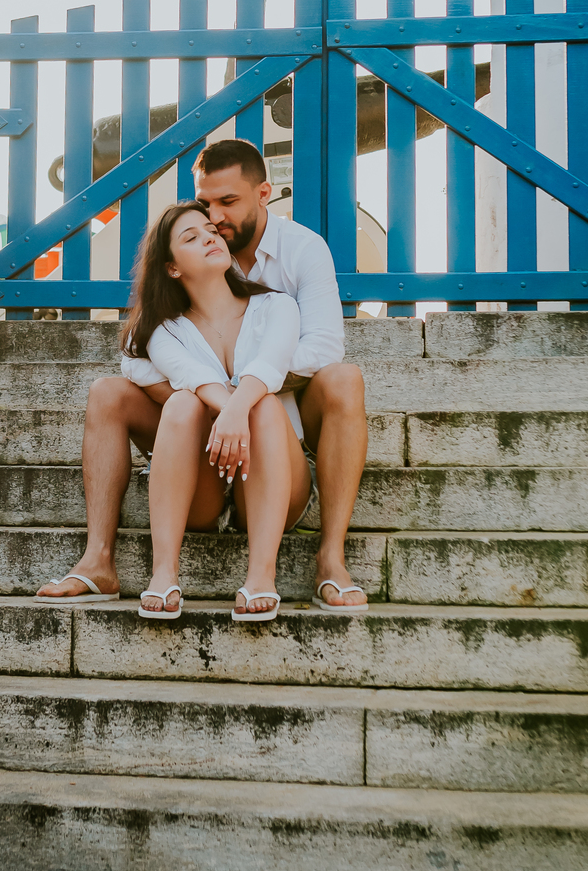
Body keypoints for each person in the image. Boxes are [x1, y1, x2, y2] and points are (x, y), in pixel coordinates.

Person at [36, 138, 369, 611]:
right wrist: (206, 400)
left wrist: (246, 398)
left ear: (263, 194)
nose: (213, 221)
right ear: (172, 266)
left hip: (279, 431)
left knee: (339, 379)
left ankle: (330, 559)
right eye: (204, 205)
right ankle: (99, 559)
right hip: (203, 445)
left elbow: (321, 348)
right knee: (113, 393)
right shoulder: (179, 305)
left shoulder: (295, 262)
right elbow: (138, 355)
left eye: (226, 203)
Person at [121, 200, 312, 620]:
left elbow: (270, 367)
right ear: (172, 268)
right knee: (183, 400)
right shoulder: (163, 330)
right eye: (191, 237)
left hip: (274, 468)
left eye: (210, 230)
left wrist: (236, 412)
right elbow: (187, 373)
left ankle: (262, 575)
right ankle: (163, 573)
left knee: (261, 406)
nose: (209, 236)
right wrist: (227, 412)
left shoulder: (276, 306)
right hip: (208, 476)